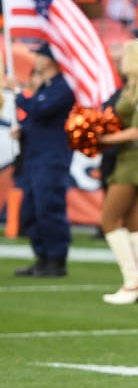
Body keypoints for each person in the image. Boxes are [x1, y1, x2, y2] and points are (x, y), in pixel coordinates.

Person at [99, 38, 138, 305]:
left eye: (124, 55)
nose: (119, 59)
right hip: (127, 156)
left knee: (108, 221)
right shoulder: (129, 89)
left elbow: (137, 130)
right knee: (133, 224)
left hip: (135, 158)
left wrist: (102, 139)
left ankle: (131, 282)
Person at [10, 43, 74, 278]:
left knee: (49, 208)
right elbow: (36, 118)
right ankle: (41, 257)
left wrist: (19, 94)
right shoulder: (45, 86)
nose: (35, 58)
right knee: (31, 210)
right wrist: (23, 129)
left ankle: (57, 259)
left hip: (51, 158)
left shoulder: (63, 86)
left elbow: (41, 110)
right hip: (33, 156)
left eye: (39, 55)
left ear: (49, 60)